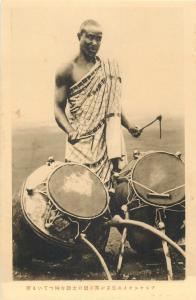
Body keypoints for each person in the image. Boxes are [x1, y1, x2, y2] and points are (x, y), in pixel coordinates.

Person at [54, 19, 141, 188]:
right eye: (90, 37)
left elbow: (112, 105)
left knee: (107, 191)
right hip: (79, 142)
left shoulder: (106, 68)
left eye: (99, 38)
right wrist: (70, 131)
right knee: (80, 189)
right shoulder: (66, 69)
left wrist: (129, 126)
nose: (94, 43)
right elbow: (57, 108)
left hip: (105, 142)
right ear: (79, 36)